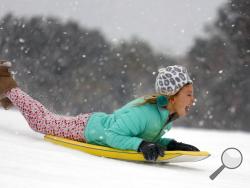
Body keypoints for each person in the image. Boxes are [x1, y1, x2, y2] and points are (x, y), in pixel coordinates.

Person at [0, 60, 199, 161]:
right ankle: (7, 85)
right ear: (173, 96)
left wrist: (172, 144)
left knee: (46, 119)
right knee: (41, 122)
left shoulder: (165, 116)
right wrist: (141, 146)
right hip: (87, 129)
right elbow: (113, 135)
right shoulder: (145, 113)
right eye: (189, 94)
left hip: (94, 126)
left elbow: (145, 135)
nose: (193, 99)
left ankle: (10, 95)